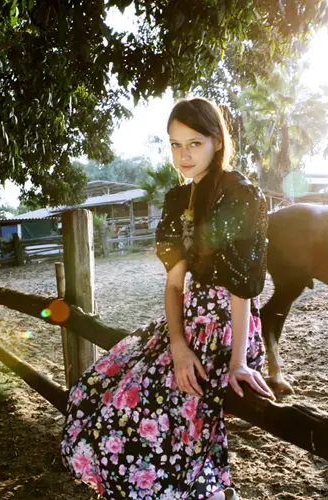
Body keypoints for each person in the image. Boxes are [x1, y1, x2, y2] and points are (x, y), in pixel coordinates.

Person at [61, 97, 274, 500]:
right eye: (175, 145)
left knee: (159, 420)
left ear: (216, 141)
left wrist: (239, 360)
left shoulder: (242, 194)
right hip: (187, 320)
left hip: (227, 326)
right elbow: (175, 285)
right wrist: (176, 345)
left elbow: (242, 288)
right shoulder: (178, 200)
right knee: (94, 394)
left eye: (194, 143)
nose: (183, 155)